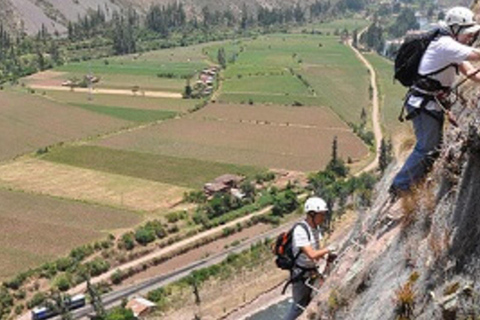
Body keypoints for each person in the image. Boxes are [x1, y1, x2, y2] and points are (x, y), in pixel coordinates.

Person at [390, 6, 480, 197]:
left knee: (432, 146)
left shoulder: (448, 46)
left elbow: (469, 71)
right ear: (455, 29)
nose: (469, 38)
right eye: (467, 34)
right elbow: (475, 55)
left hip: (427, 104)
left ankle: (414, 182)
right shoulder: (445, 45)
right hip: (425, 105)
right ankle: (401, 186)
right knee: (426, 147)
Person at [284, 196, 336, 320]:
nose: (323, 218)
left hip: (310, 271)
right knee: (298, 306)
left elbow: (316, 254)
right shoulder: (300, 230)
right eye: (321, 215)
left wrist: (326, 256)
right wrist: (328, 249)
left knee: (311, 300)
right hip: (300, 275)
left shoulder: (315, 229)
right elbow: (312, 254)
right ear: (312, 214)